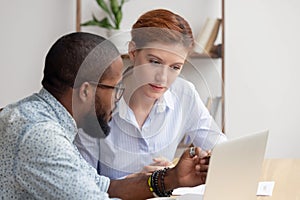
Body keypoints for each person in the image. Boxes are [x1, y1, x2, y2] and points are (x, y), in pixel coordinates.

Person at [0, 32, 210, 199]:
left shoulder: (38, 118)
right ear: (85, 91)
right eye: (115, 88)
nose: (117, 99)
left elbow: (107, 186)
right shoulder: (41, 136)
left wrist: (172, 178)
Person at [74, 9, 227, 180]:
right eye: (154, 62)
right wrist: (139, 183)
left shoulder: (185, 93)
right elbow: (81, 185)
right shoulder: (98, 101)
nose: (162, 78)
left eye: (175, 67)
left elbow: (221, 149)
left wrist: (188, 167)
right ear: (133, 52)